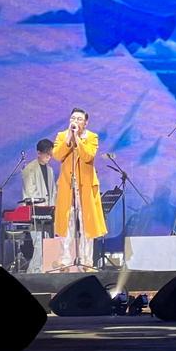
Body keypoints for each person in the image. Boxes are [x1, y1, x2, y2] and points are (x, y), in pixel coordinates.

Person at [52, 108, 107, 269]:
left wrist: (77, 138)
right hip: (67, 185)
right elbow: (57, 155)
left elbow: (88, 156)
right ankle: (65, 259)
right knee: (66, 222)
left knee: (86, 223)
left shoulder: (92, 137)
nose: (75, 121)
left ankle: (87, 261)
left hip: (86, 186)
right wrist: (69, 138)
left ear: (85, 122)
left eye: (79, 119)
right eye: (73, 118)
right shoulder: (62, 136)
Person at [21, 138, 56, 273]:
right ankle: (33, 272)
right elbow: (30, 192)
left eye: (50, 154)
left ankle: (38, 271)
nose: (49, 157)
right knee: (39, 243)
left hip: (48, 212)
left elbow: (53, 191)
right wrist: (44, 205)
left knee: (47, 244)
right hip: (35, 212)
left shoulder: (50, 170)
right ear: (39, 153)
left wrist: (52, 207)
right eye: (46, 154)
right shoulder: (29, 169)